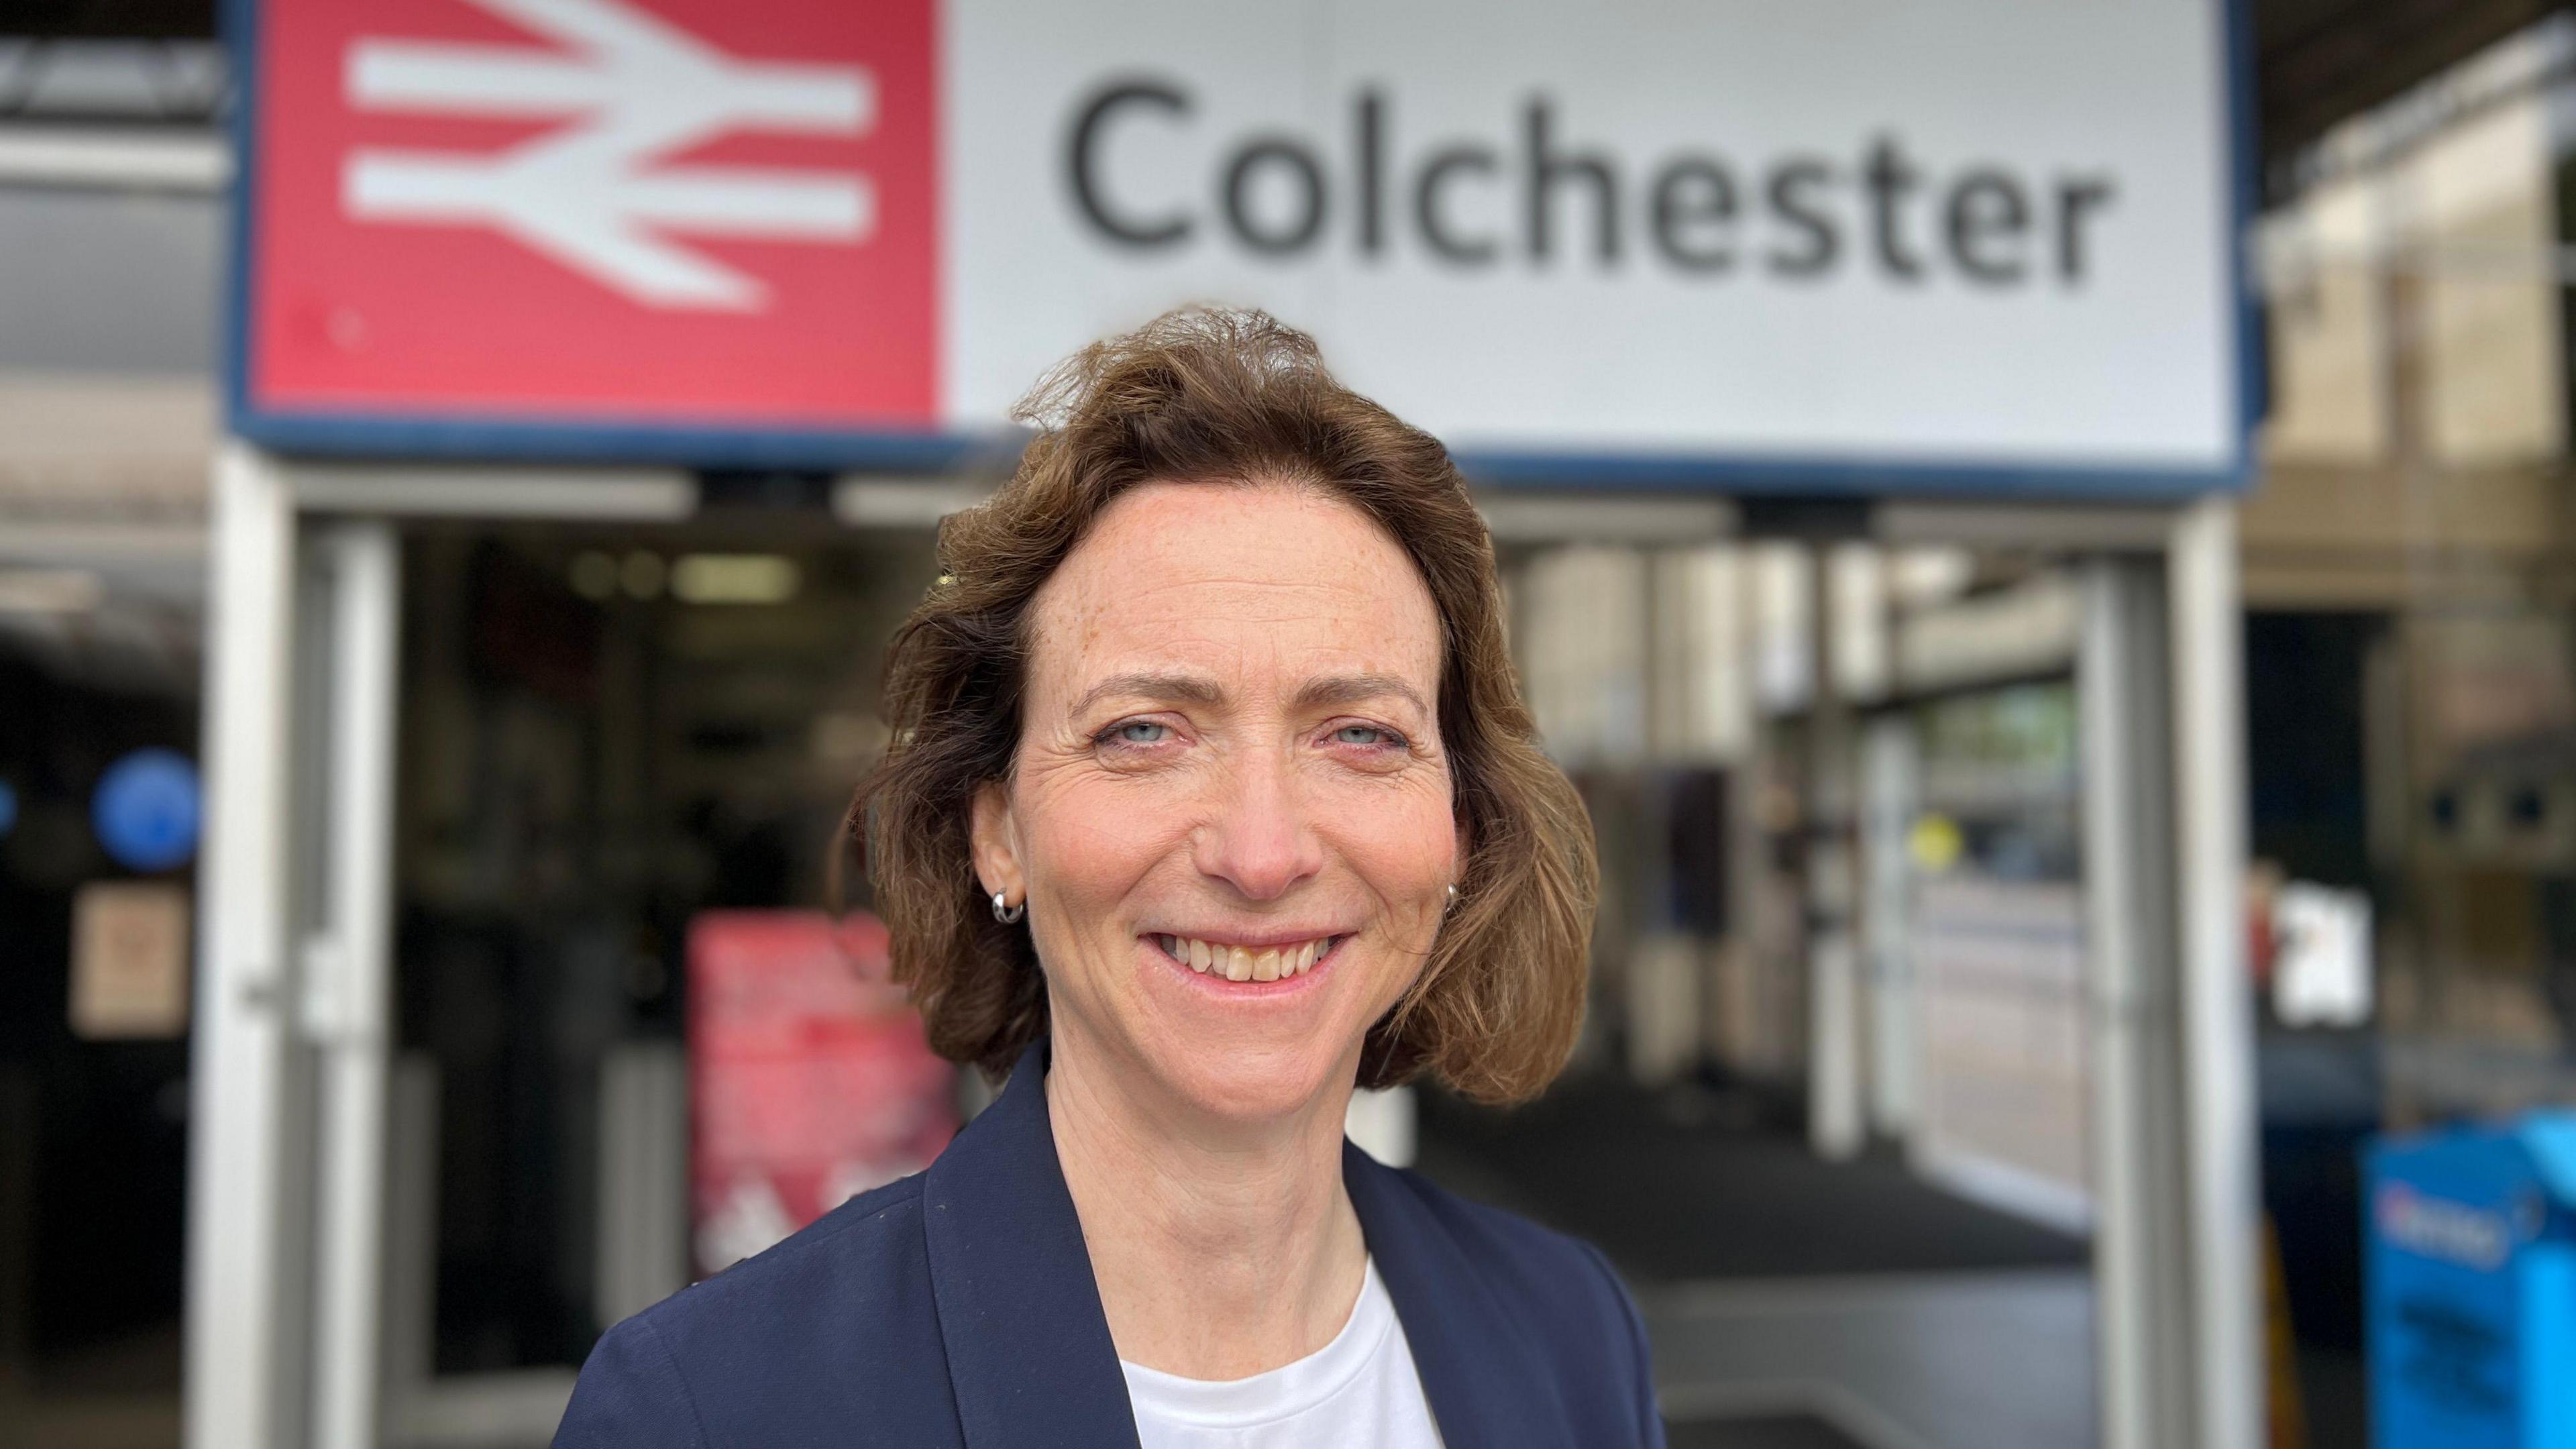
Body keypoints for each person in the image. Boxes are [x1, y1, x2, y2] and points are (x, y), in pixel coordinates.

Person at [553, 308, 1663, 1447]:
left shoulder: (1569, 1333)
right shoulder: (716, 1408)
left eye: (1360, 735)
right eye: (1144, 732)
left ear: (1460, 828)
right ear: (998, 831)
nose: (1262, 853)